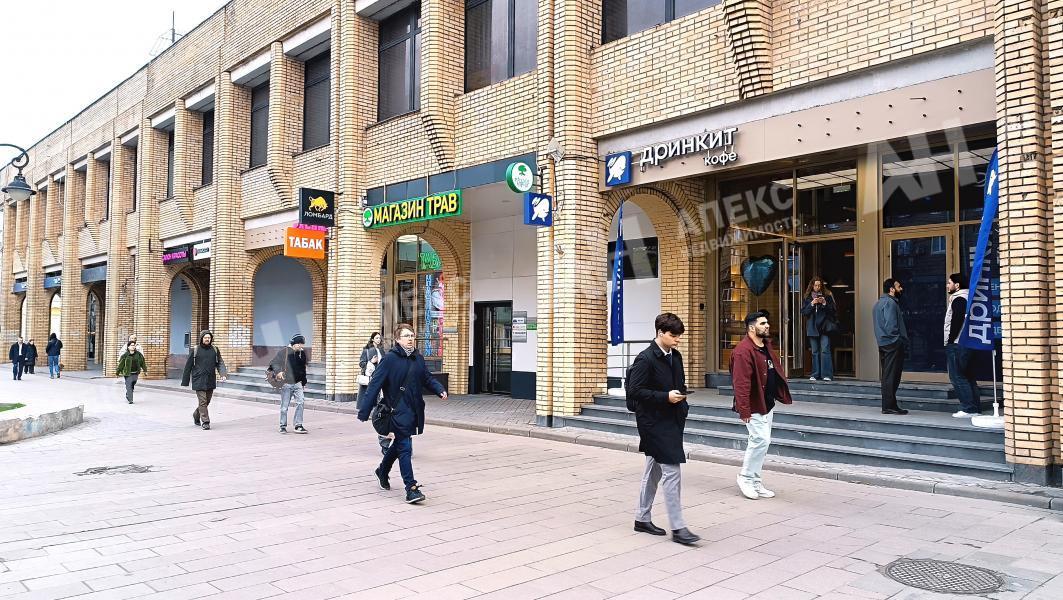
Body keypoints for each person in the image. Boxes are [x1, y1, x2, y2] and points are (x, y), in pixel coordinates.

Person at [627, 312, 700, 547]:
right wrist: (665, 397)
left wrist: (681, 398)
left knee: (654, 471)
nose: (678, 340)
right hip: (653, 422)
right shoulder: (645, 358)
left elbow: (680, 384)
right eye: (674, 335)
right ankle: (678, 528)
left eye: (679, 336)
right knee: (672, 470)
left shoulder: (675, 356)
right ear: (660, 333)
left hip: (672, 419)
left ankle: (642, 518)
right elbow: (635, 391)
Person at [357, 323, 447, 505]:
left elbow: (426, 377)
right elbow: (375, 384)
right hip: (396, 410)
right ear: (398, 339)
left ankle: (382, 470)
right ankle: (411, 488)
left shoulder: (417, 358)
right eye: (406, 336)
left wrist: (439, 389)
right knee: (405, 447)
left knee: (399, 444)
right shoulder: (390, 359)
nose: (410, 338)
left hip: (413, 410)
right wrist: (365, 411)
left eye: (412, 335)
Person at [730, 311, 794, 501]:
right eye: (763, 323)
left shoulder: (765, 346)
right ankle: (745, 478)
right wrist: (744, 409)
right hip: (753, 404)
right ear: (751, 328)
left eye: (767, 322)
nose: (767, 325)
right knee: (760, 440)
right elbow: (740, 383)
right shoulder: (742, 351)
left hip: (767, 403)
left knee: (762, 442)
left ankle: (755, 481)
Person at [945, 273, 981, 417]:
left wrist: (950, 340)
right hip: (968, 341)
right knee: (968, 376)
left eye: (949, 283)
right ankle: (975, 408)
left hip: (958, 343)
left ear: (957, 285)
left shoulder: (959, 299)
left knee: (957, 376)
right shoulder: (969, 298)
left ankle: (968, 408)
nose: (947, 286)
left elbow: (956, 321)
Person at [874, 278, 909, 415]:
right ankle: (889, 406)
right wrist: (898, 340)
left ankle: (889, 405)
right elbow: (891, 326)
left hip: (883, 343)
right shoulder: (890, 303)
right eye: (899, 287)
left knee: (888, 375)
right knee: (892, 376)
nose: (901, 289)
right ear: (892, 289)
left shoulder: (878, 303)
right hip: (892, 343)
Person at [180, 330, 228, 430]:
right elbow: (188, 366)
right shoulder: (196, 349)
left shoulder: (215, 349)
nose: (207, 339)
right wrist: (185, 381)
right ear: (202, 338)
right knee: (203, 401)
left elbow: (220, 362)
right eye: (205, 337)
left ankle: (196, 415)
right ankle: (206, 422)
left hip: (210, 379)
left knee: (207, 401)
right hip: (199, 379)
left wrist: (223, 374)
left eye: (209, 338)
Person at [269, 334, 309, 434]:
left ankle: (298, 425)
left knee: (301, 402)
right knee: (284, 406)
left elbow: (303, 369)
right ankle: (282, 426)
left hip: (298, 384)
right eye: (299, 344)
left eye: (302, 344)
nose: (301, 346)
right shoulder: (284, 352)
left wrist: (304, 382)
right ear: (293, 343)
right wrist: (278, 372)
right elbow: (273, 363)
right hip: (286, 384)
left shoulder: (302, 353)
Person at [800, 276, 837, 381]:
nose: (817, 287)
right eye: (815, 285)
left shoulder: (827, 296)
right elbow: (804, 312)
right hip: (812, 328)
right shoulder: (807, 297)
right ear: (812, 286)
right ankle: (815, 374)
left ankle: (827, 375)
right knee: (815, 351)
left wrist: (824, 303)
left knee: (825, 350)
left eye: (819, 285)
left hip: (824, 327)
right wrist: (812, 303)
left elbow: (833, 311)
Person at [359, 332, 390, 454]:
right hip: (372, 378)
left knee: (381, 399)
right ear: (372, 339)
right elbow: (361, 363)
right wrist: (371, 362)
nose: (378, 340)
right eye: (376, 338)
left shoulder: (382, 350)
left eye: (379, 338)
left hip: (382, 378)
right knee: (374, 398)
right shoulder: (367, 350)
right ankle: (376, 413)